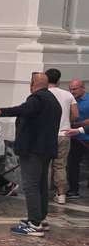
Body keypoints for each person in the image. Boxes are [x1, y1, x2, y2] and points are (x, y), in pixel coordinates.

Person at [0, 72, 61, 236]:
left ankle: (34, 224)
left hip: (33, 150)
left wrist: (0, 111)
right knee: (41, 184)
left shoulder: (37, 99)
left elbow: (22, 110)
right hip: (45, 149)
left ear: (33, 83)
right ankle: (40, 218)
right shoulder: (52, 99)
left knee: (31, 185)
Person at [45, 68, 77, 205]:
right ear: (59, 80)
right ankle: (61, 194)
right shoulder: (68, 95)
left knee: (45, 165)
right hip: (64, 134)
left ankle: (43, 192)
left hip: (46, 135)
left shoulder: (43, 94)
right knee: (60, 166)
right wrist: (67, 122)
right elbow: (75, 114)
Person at [66, 78, 89, 197]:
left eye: (74, 89)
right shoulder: (70, 100)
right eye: (70, 89)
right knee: (72, 164)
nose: (72, 91)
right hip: (76, 138)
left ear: (82, 88)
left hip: (87, 137)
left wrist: (79, 124)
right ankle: (73, 189)